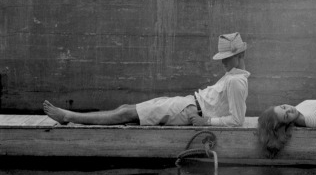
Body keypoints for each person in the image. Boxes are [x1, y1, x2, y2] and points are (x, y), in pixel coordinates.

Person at [43, 32, 250, 127]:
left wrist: (207, 122)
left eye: (227, 58)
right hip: (187, 104)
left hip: (189, 110)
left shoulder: (235, 82)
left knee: (125, 113)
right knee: (126, 108)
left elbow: (237, 120)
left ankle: (68, 116)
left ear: (240, 56)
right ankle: (70, 116)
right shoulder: (233, 77)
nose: (223, 63)